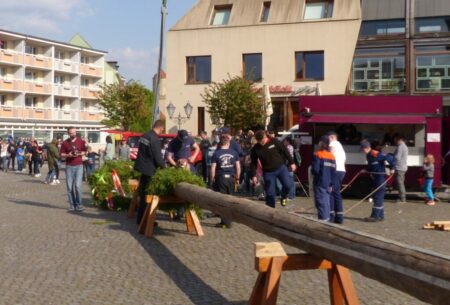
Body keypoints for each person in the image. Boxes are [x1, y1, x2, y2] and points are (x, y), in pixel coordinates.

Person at [250, 130, 296, 208]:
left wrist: (292, 163)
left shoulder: (274, 141)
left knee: (287, 185)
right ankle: (271, 211)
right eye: (259, 141)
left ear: (265, 137)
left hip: (281, 168)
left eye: (262, 140)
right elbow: (253, 163)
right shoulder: (255, 149)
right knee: (270, 194)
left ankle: (283, 197)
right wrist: (253, 175)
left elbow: (285, 151)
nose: (261, 143)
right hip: (268, 172)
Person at [134, 120, 167, 224]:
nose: (162, 131)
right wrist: (164, 167)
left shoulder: (145, 136)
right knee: (149, 196)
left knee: (143, 194)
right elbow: (157, 157)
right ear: (160, 128)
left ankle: (140, 219)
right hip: (150, 170)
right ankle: (147, 220)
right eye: (162, 129)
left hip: (142, 168)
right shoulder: (155, 139)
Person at [210, 132, 241, 228]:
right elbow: (238, 167)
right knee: (230, 199)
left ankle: (225, 222)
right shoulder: (234, 153)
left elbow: (213, 168)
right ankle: (229, 219)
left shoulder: (216, 153)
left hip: (221, 177)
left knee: (222, 200)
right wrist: (237, 178)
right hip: (231, 177)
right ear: (228, 143)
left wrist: (212, 179)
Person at [360, 140, 396, 222]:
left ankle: (375, 216)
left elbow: (391, 158)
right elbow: (371, 166)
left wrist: (393, 168)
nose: (362, 151)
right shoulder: (368, 156)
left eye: (363, 149)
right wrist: (366, 170)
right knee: (378, 197)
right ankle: (380, 216)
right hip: (375, 178)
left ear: (367, 148)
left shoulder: (374, 153)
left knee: (377, 197)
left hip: (380, 178)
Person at [60, 127, 87, 212]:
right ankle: (72, 205)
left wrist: (79, 153)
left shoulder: (81, 141)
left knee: (78, 186)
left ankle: (79, 205)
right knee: (69, 187)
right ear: (68, 133)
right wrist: (69, 155)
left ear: (76, 132)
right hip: (69, 166)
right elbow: (61, 154)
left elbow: (85, 151)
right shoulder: (65, 143)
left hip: (79, 165)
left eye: (74, 132)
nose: (73, 134)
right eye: (71, 133)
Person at [311, 136, 336, 221]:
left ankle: (323, 223)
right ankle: (327, 220)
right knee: (327, 203)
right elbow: (334, 172)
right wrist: (331, 184)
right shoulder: (332, 156)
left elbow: (315, 170)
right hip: (328, 183)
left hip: (319, 182)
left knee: (321, 203)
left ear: (322, 143)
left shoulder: (318, 154)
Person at [328, 131, 346, 224]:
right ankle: (339, 215)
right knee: (336, 193)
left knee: (331, 192)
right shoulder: (340, 145)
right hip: (342, 170)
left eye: (328, 138)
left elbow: (331, 155)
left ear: (332, 137)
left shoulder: (333, 143)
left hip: (335, 170)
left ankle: (331, 216)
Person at [393, 134, 408, 203]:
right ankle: (401, 197)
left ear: (399, 139)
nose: (395, 142)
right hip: (403, 167)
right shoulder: (404, 146)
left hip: (400, 167)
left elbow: (397, 157)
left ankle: (402, 199)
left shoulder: (400, 147)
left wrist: (391, 156)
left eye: (396, 140)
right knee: (401, 183)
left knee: (400, 183)